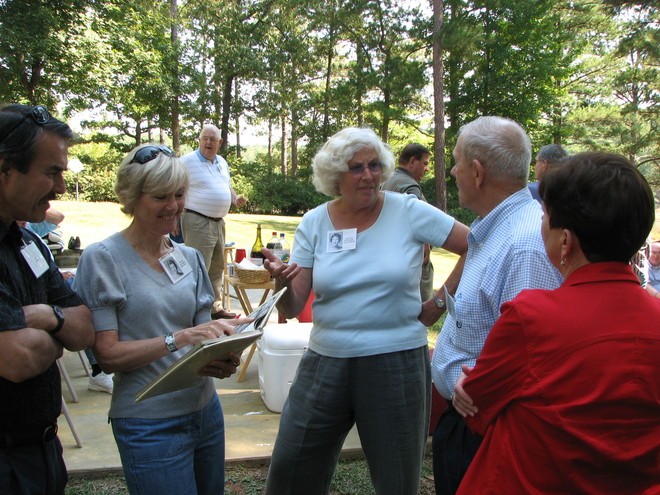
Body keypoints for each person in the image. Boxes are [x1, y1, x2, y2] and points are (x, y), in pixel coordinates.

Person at [261, 127, 470, 494]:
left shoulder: (407, 210)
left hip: (396, 362)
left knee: (396, 479)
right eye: (356, 167)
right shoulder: (314, 222)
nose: (369, 175)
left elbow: (474, 244)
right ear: (335, 175)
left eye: (374, 165)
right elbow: (293, 306)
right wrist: (281, 282)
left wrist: (437, 305)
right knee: (292, 469)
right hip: (325, 360)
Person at [453, 152, 660, 494]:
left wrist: (467, 382)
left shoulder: (531, 317)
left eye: (544, 216)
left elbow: (476, 408)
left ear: (565, 240)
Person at [73, 143, 252, 495]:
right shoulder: (103, 258)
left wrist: (225, 351)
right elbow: (107, 356)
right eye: (160, 197)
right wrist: (180, 337)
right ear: (131, 197)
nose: (173, 206)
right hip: (149, 425)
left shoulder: (189, 257)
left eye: (179, 195)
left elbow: (203, 339)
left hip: (206, 411)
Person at [431, 116, 564, 495]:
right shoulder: (496, 230)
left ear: (477, 172)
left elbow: (534, 361)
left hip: (488, 437)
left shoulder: (525, 246)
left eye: (456, 162)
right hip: (470, 428)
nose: (452, 171)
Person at [0, 104, 94, 494]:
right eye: (52, 172)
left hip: (42, 452)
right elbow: (17, 357)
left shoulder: (28, 243)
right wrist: (59, 337)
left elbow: (85, 330)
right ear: (5, 169)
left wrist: (47, 316)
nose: (60, 187)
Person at [27, 206, 115, 394]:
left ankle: (103, 363)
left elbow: (58, 217)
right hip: (39, 301)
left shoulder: (28, 230)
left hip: (51, 293)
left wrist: (34, 203)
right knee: (87, 297)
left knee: (89, 289)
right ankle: (99, 369)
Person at [180, 124, 246, 319]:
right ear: (199, 140)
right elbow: (172, 187)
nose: (208, 142)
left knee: (217, 267)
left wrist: (235, 199)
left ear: (220, 142)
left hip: (218, 222)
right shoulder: (186, 162)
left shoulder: (221, 162)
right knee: (199, 268)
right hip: (197, 220)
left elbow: (227, 186)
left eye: (212, 139)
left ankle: (214, 309)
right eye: (204, 138)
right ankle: (194, 314)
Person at [382, 143, 435, 300]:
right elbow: (418, 219)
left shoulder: (388, 180)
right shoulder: (409, 185)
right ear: (412, 161)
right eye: (424, 163)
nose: (427, 169)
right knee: (420, 307)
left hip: (389, 257)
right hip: (411, 261)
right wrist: (425, 244)